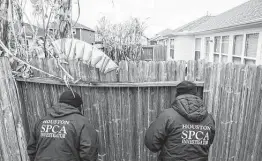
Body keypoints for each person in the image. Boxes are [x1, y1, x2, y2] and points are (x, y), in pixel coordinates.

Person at [144, 81, 215, 161]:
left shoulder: (167, 115)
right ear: (196, 94)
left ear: (177, 94)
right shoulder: (209, 118)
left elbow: (152, 143)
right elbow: (209, 141)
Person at [27, 90, 99, 161]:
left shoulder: (41, 122)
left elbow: (31, 149)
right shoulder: (82, 122)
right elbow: (88, 150)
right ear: (78, 106)